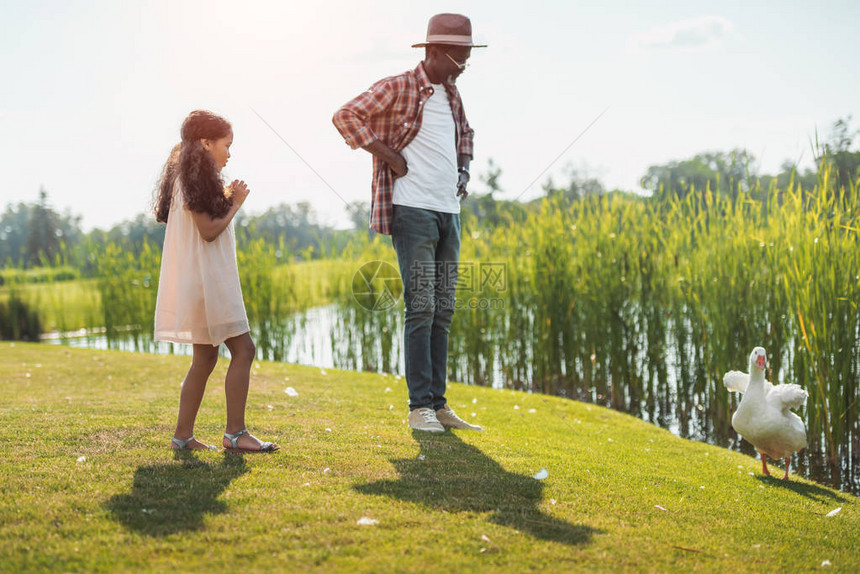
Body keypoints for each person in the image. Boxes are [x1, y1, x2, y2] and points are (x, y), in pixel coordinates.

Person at [333, 14, 486, 433]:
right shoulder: (399, 85)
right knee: (421, 308)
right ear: (433, 52)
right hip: (412, 210)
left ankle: (438, 405)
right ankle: (419, 407)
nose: (463, 68)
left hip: (448, 212)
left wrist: (464, 170)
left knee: (443, 311)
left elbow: (466, 134)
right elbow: (345, 116)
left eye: (468, 59)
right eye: (459, 60)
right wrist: (389, 155)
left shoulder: (452, 95)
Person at [153, 110, 279, 453]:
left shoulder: (191, 178)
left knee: (205, 359)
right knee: (244, 349)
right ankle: (235, 434)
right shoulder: (193, 180)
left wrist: (224, 197)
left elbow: (204, 224)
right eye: (227, 145)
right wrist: (235, 202)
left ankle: (183, 437)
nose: (229, 153)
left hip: (200, 284)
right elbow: (208, 232)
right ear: (206, 143)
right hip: (209, 285)